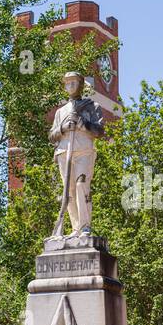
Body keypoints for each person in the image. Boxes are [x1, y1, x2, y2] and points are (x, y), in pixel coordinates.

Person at [49, 72, 104, 235]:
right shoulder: (60, 112)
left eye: (74, 82)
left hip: (84, 151)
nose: (71, 85)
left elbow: (99, 131)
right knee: (69, 190)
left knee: (81, 185)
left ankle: (85, 225)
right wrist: (62, 128)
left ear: (81, 84)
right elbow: (52, 136)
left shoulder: (92, 107)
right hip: (64, 153)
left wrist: (82, 124)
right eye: (67, 83)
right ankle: (75, 228)